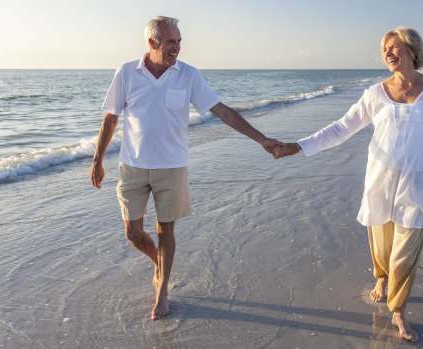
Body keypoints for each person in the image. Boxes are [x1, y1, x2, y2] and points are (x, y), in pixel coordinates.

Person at [90, 16, 282, 320]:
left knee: (166, 231)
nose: (177, 48)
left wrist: (262, 139)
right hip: (132, 166)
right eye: (171, 42)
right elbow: (111, 118)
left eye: (179, 42)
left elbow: (223, 112)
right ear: (152, 43)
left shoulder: (188, 75)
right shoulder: (126, 73)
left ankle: (162, 289)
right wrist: (98, 159)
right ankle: (160, 263)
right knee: (133, 232)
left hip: (172, 167)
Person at [274, 27, 423, 342]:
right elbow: (342, 128)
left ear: (411, 50)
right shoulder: (374, 93)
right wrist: (299, 145)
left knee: (406, 249)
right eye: (384, 49)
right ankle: (381, 278)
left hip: (420, 180)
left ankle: (398, 310)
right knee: (381, 244)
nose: (387, 53)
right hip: (381, 180)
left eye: (394, 47)